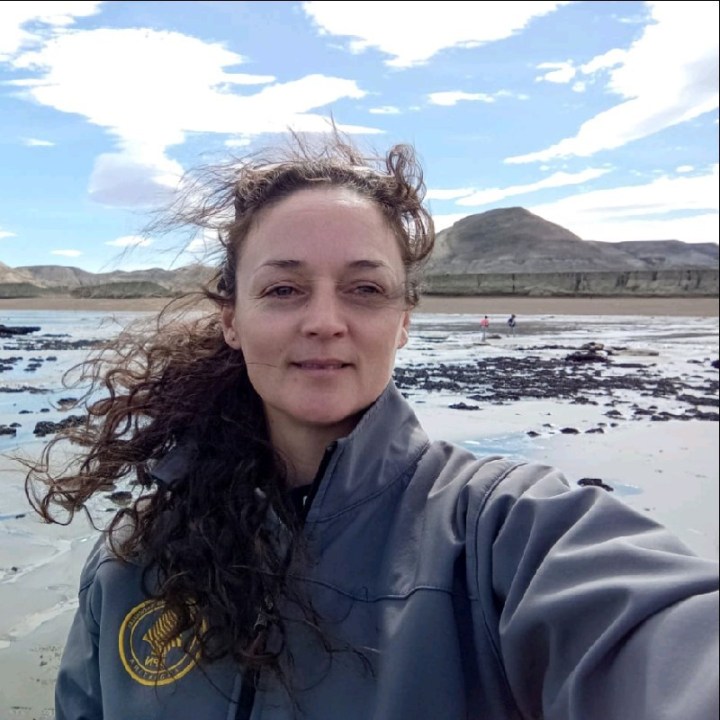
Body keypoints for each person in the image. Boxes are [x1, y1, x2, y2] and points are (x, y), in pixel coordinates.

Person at [26, 132, 718, 720]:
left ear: (404, 320)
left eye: (364, 289)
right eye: (284, 289)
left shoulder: (503, 535)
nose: (325, 321)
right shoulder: (132, 564)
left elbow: (669, 644)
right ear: (232, 319)